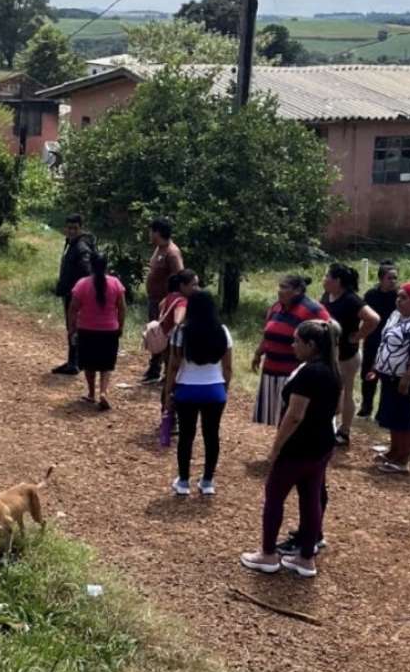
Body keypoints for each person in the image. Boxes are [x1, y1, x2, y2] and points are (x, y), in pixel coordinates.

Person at [240, 320, 341, 579]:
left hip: (299, 445)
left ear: (311, 345)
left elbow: (294, 415)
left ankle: (267, 554)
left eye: (297, 341)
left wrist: (276, 448)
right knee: (311, 500)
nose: (293, 345)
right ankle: (306, 558)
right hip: (322, 444)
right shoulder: (333, 370)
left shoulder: (309, 373)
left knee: (274, 497)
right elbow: (338, 409)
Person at [163, 291, 232, 496]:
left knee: (186, 435)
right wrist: (224, 389)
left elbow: (174, 366)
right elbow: (228, 368)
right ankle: (207, 480)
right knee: (212, 436)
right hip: (214, 390)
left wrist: (168, 392)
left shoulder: (181, 332)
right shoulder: (222, 331)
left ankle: (183, 481)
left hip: (187, 389)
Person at [371, 282, 410, 474]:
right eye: (398, 297)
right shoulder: (396, 316)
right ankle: (394, 450)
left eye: (404, 298)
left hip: (403, 379)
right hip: (388, 376)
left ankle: (403, 457)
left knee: (403, 418)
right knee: (392, 416)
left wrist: (408, 376)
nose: (399, 301)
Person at [252, 275, 330, 427]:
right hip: (271, 372)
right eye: (279, 287)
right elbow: (268, 333)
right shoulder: (276, 307)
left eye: (284, 287)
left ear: (298, 290)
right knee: (278, 416)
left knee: (293, 416)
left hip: (294, 374)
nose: (280, 291)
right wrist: (258, 353)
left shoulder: (313, 309)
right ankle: (281, 445)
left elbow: (330, 332)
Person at [321, 263, 380, 446]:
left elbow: (374, 318)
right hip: (329, 353)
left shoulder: (351, 299)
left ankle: (344, 431)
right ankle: (327, 425)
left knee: (346, 391)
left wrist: (358, 336)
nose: (324, 279)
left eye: (327, 276)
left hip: (347, 356)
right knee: (330, 391)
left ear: (337, 281)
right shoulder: (327, 296)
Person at [68, 253, 127, 411]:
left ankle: (92, 393)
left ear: (90, 266)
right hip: (109, 330)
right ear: (106, 266)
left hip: (87, 329)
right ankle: (104, 392)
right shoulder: (115, 283)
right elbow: (121, 308)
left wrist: (71, 328)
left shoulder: (82, 284)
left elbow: (73, 308)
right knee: (106, 364)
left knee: (89, 363)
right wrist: (120, 326)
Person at [142, 217, 184, 384]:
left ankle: (168, 373)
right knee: (155, 335)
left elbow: (180, 277)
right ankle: (154, 369)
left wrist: (170, 301)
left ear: (157, 232)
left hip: (165, 304)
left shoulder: (172, 253)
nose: (149, 234)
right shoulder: (159, 249)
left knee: (165, 337)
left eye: (151, 231)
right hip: (154, 301)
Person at [52, 213, 95, 375]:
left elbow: (87, 270)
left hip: (76, 295)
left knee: (74, 327)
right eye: (69, 228)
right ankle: (73, 360)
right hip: (69, 292)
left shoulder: (81, 247)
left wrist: (81, 291)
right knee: (72, 327)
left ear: (80, 228)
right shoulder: (71, 243)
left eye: (75, 228)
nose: (71, 231)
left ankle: (74, 362)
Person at [359, 260, 399, 418]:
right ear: (381, 279)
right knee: (368, 375)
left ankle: (382, 412)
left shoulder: (399, 296)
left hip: (392, 342)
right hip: (373, 340)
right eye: (390, 278)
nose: (393, 281)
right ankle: (366, 406)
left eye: (395, 278)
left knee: (387, 378)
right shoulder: (371, 295)